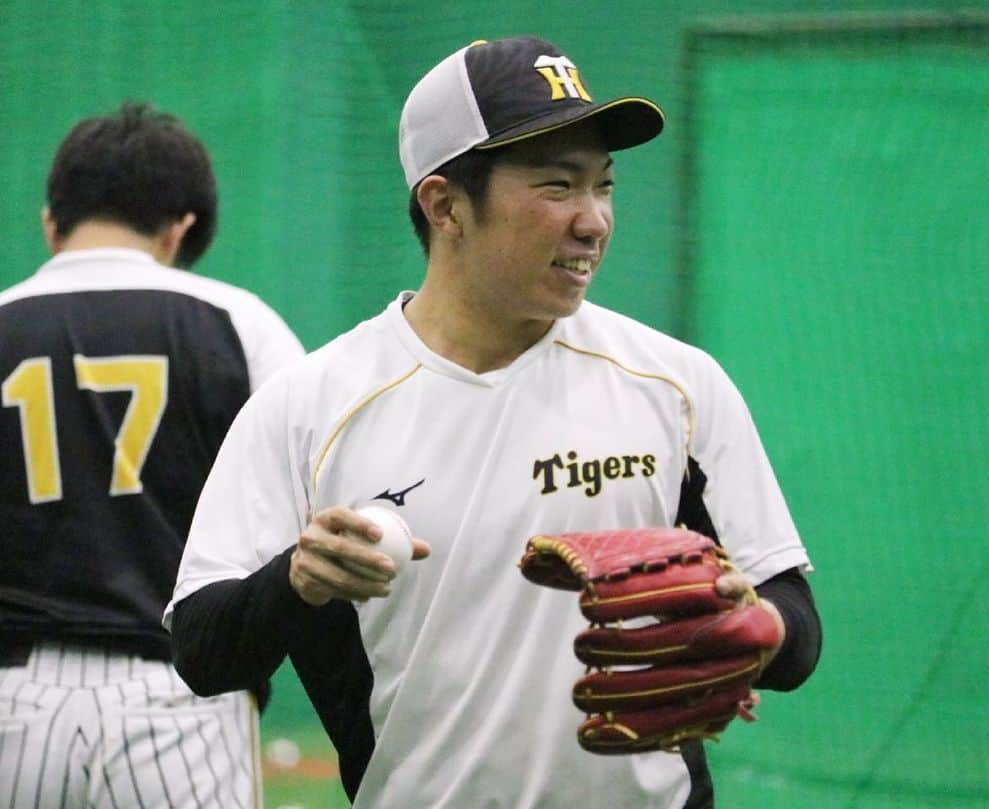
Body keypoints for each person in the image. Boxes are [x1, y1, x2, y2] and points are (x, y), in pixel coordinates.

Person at [166, 36, 822, 809]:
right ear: (445, 204)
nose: (594, 221)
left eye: (603, 185)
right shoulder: (311, 405)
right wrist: (297, 580)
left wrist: (757, 629)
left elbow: (796, 626)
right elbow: (202, 649)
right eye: (557, 185)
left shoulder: (675, 385)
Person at [0, 102, 305, 808]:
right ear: (182, 227)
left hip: (10, 698)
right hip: (182, 694)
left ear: (52, 220)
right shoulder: (240, 323)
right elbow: (308, 514)